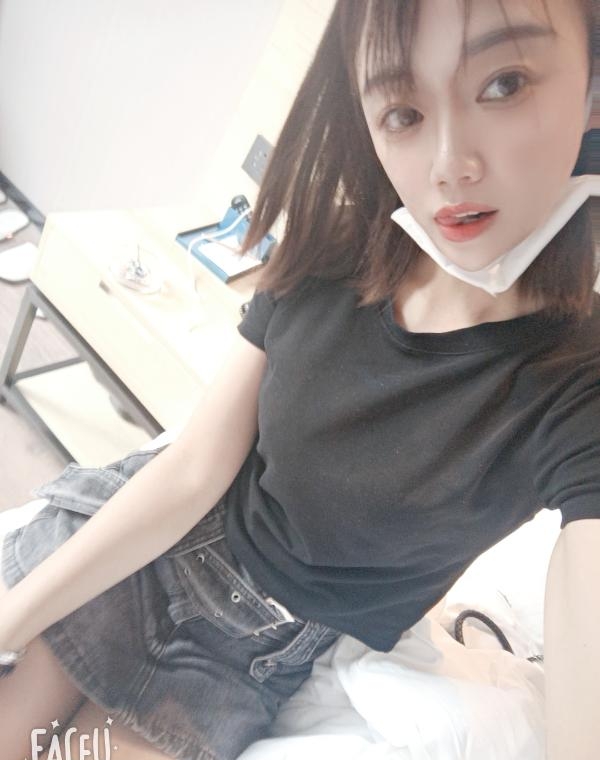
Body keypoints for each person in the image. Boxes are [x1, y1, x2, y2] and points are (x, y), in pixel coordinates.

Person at [0, 0, 598, 758]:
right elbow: (189, 471)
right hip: (140, 551)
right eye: (404, 113)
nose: (451, 163)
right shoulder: (335, 248)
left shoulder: (576, 386)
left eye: (505, 83)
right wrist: (10, 621)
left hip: (250, 655)